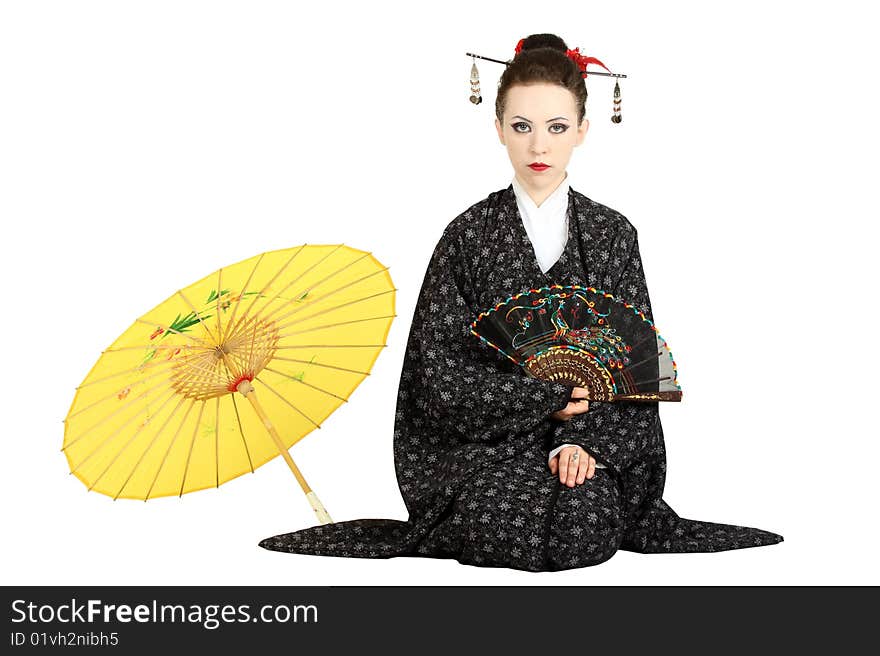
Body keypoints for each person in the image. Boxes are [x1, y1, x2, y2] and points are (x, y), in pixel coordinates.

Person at [259, 33, 783, 571]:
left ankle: (581, 471)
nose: (539, 147)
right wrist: (541, 400)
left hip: (587, 448)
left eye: (557, 128)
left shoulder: (611, 235)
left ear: (581, 131)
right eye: (522, 127)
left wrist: (580, 444)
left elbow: (632, 371)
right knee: (502, 518)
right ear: (498, 130)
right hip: (482, 448)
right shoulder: (467, 236)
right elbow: (437, 374)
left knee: (582, 522)